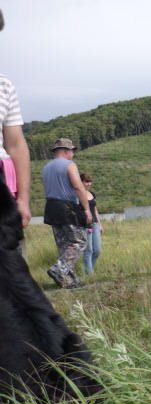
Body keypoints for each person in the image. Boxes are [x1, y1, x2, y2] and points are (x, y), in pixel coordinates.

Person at [42, 138, 91, 289]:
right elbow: (78, 187)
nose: (73, 154)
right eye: (72, 151)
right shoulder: (69, 165)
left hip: (51, 206)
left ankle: (69, 280)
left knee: (63, 245)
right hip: (67, 207)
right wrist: (86, 209)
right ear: (66, 151)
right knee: (79, 242)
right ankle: (59, 268)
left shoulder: (46, 168)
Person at [0, 8, 31, 235]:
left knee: (9, 263)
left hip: (2, 190)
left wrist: (23, 198)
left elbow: (16, 144)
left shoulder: (4, 86)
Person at [80, 173, 102, 274]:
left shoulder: (92, 194)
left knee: (97, 250)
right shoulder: (78, 194)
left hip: (95, 224)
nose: (89, 184)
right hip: (85, 225)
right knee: (88, 250)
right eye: (86, 181)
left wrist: (100, 224)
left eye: (90, 181)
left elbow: (95, 209)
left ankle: (88, 270)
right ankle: (89, 274)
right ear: (81, 182)